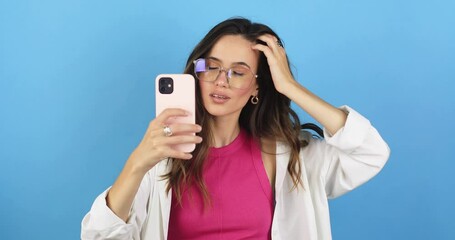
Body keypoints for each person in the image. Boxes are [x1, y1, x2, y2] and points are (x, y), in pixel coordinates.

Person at [81, 17, 390, 240]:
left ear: (258, 86)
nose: (221, 80)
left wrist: (290, 87)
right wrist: (137, 163)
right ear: (197, 73)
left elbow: (370, 153)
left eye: (238, 72)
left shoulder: (291, 156)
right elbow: (98, 236)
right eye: (211, 66)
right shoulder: (162, 156)